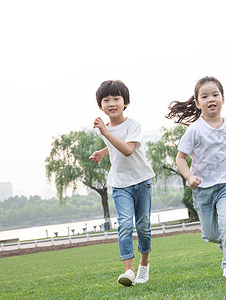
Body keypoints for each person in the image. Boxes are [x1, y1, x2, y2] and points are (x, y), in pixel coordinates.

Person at [167, 76, 226, 278]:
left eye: (215, 94)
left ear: (223, 98)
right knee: (211, 234)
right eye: (204, 96)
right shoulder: (194, 130)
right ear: (198, 103)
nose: (211, 99)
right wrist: (189, 177)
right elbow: (180, 158)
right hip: (202, 190)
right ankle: (223, 242)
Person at [89, 80, 155, 286]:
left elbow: (127, 149)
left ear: (125, 102)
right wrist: (103, 151)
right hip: (120, 184)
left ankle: (144, 264)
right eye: (106, 100)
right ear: (100, 105)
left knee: (143, 226)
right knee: (125, 224)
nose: (112, 103)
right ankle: (129, 271)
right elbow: (114, 144)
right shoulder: (107, 129)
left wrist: (106, 135)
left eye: (116, 99)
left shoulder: (133, 125)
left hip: (141, 181)